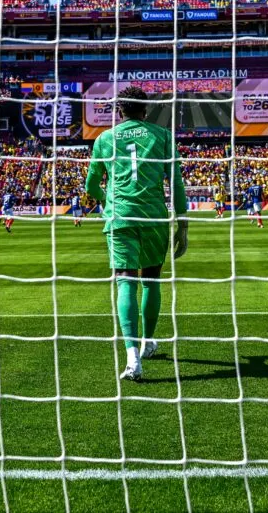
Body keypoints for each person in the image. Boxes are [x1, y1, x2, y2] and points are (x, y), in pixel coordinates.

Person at [84, 86, 189, 382]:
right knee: (151, 281)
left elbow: (91, 185)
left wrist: (108, 201)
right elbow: (177, 183)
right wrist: (183, 223)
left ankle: (132, 359)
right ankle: (148, 343)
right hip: (154, 218)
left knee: (125, 283)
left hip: (120, 218)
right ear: (145, 111)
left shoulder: (104, 139)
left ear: (120, 112)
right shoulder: (164, 136)